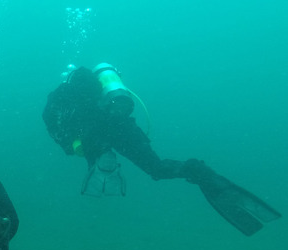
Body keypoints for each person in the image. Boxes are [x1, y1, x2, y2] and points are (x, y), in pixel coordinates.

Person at [42, 63, 281, 236]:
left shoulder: (63, 93)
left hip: (95, 133)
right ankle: (197, 170)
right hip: (122, 126)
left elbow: (52, 120)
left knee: (93, 151)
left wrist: (70, 145)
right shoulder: (102, 92)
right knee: (156, 168)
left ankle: (104, 159)